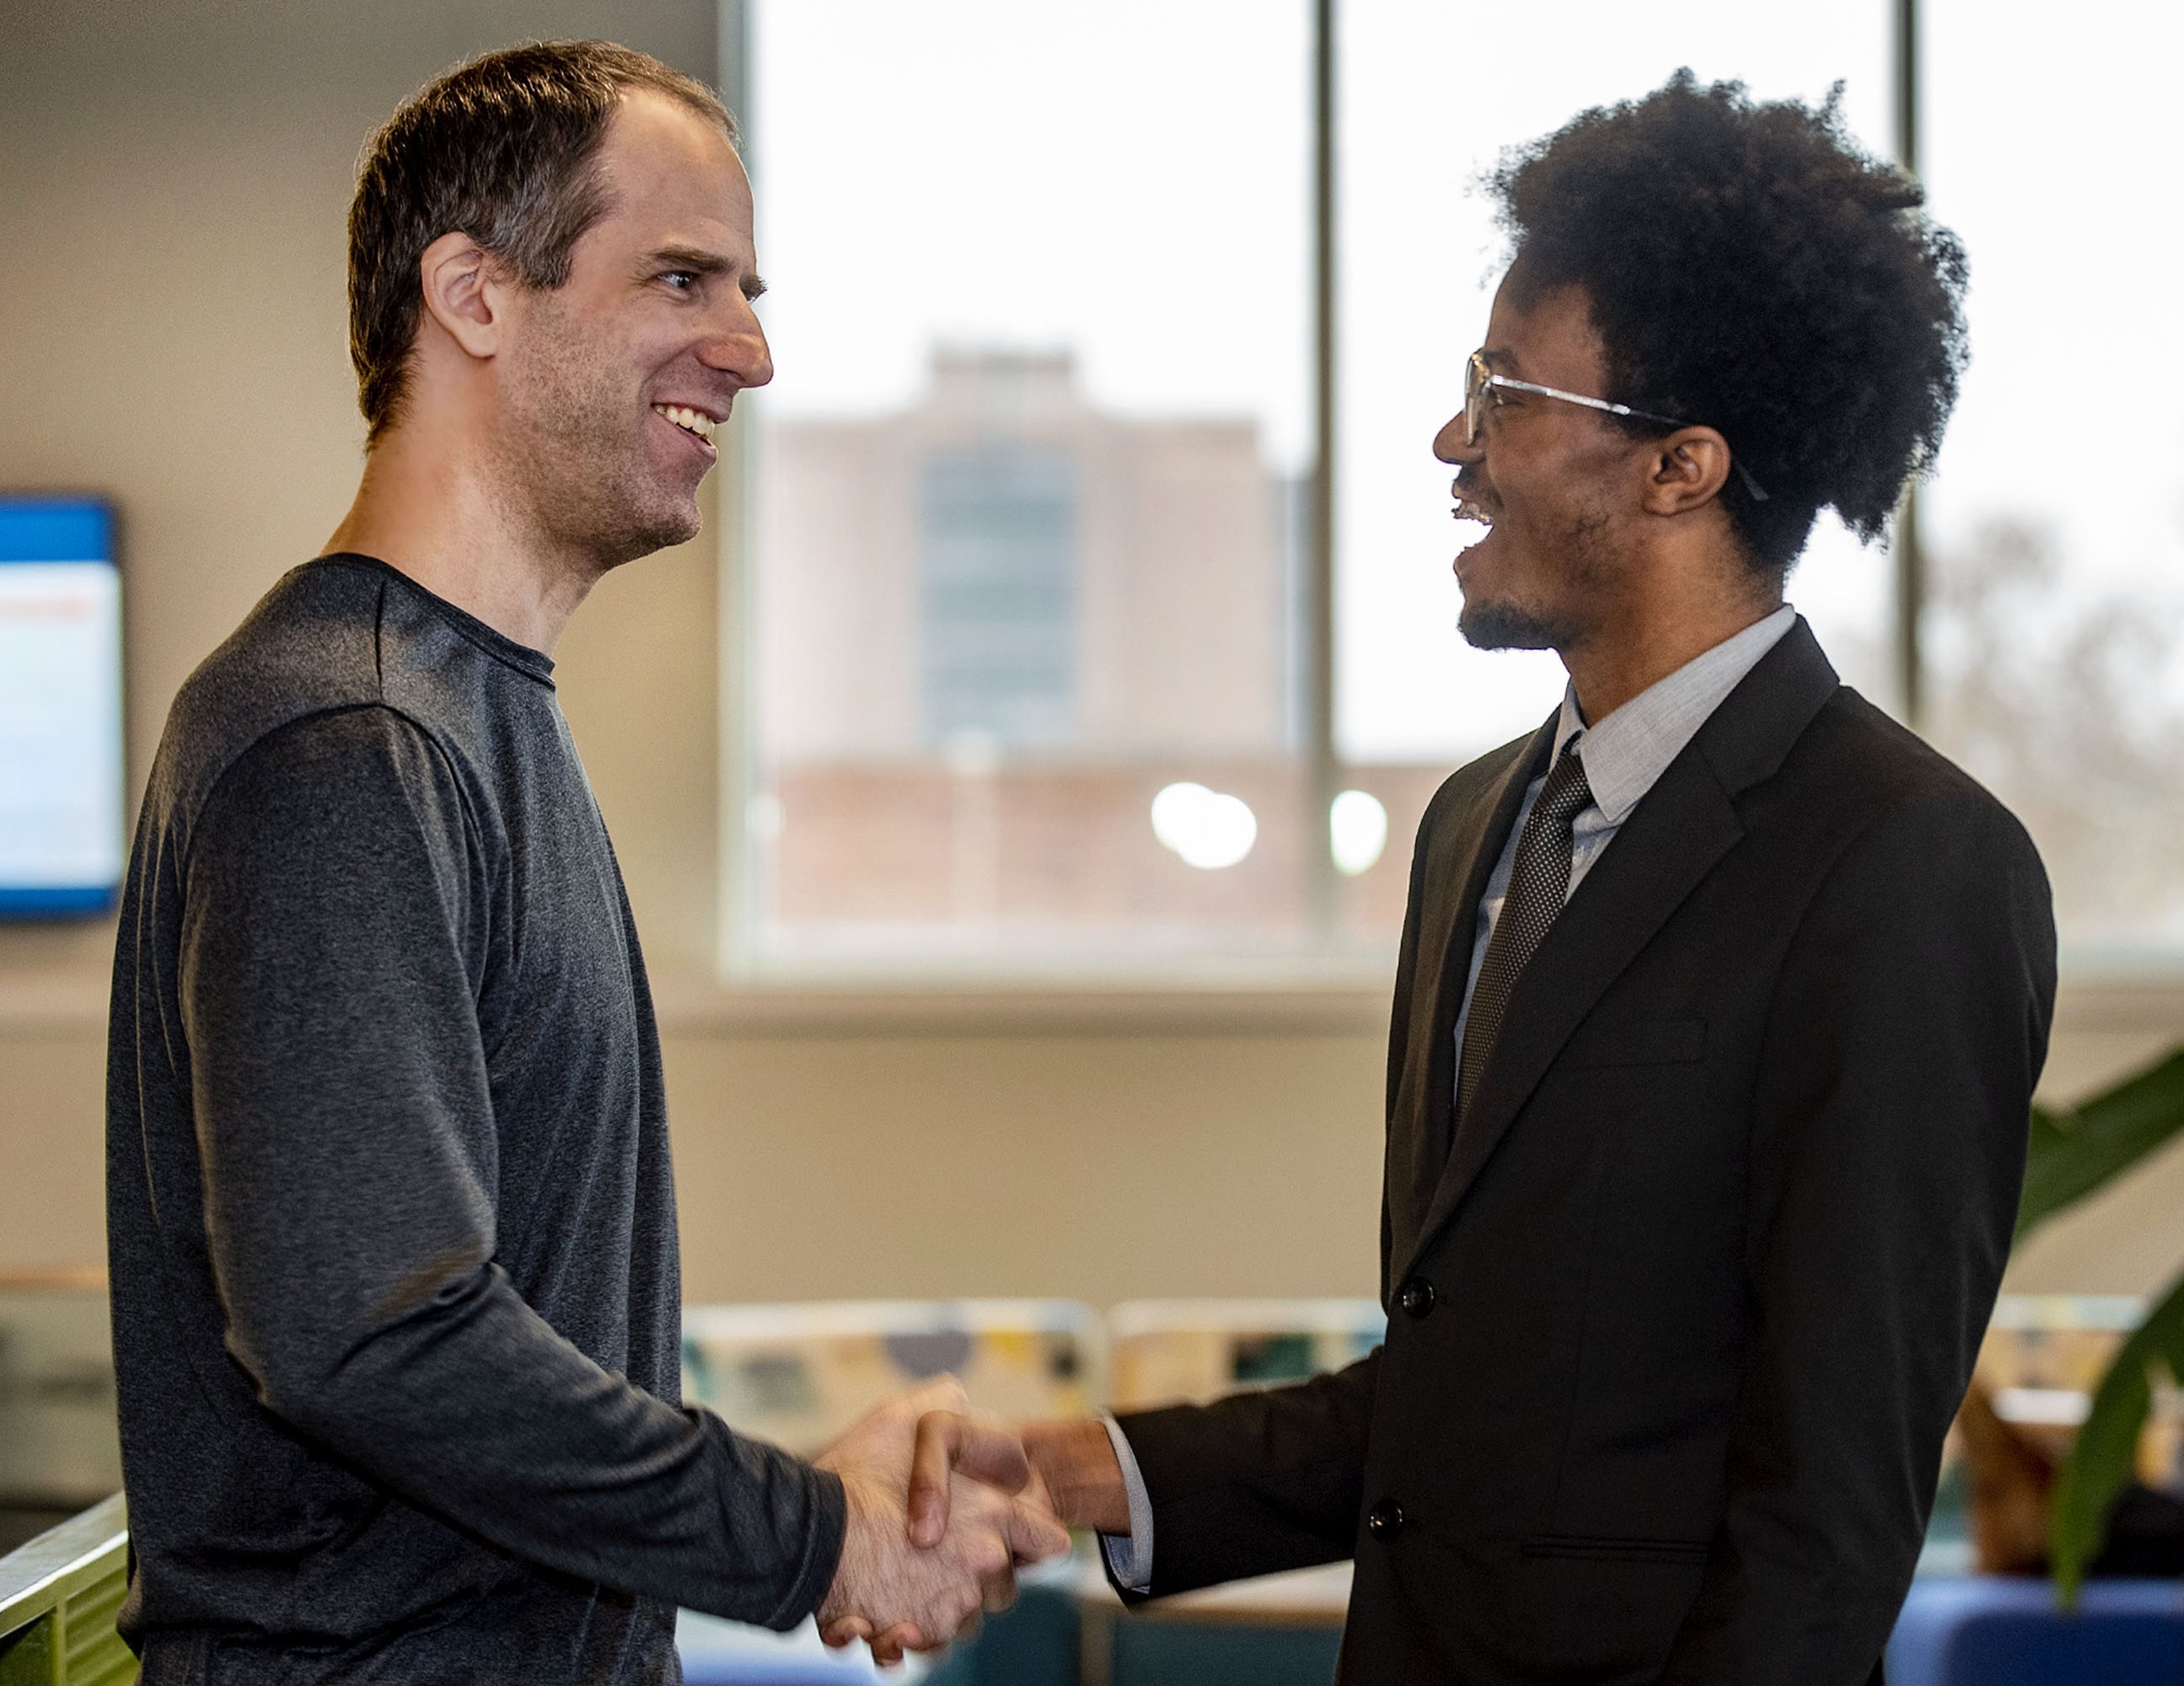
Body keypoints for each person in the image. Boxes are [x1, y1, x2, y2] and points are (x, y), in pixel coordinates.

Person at [957, 72, 2057, 1683]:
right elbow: (1475, 1392)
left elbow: (1824, 1518)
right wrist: (1089, 1474)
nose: (1453, 440)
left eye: (1507, 392)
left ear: (1681, 467)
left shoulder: (1905, 864)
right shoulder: (1479, 828)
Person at [103, 41, 1062, 1684]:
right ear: (474, 294)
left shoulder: (481, 714)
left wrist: (812, 1492)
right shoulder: (346, 739)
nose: (749, 349)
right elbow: (379, 1334)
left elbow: (509, 1323)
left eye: (750, 287)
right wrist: (813, 1532)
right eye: (680, 275)